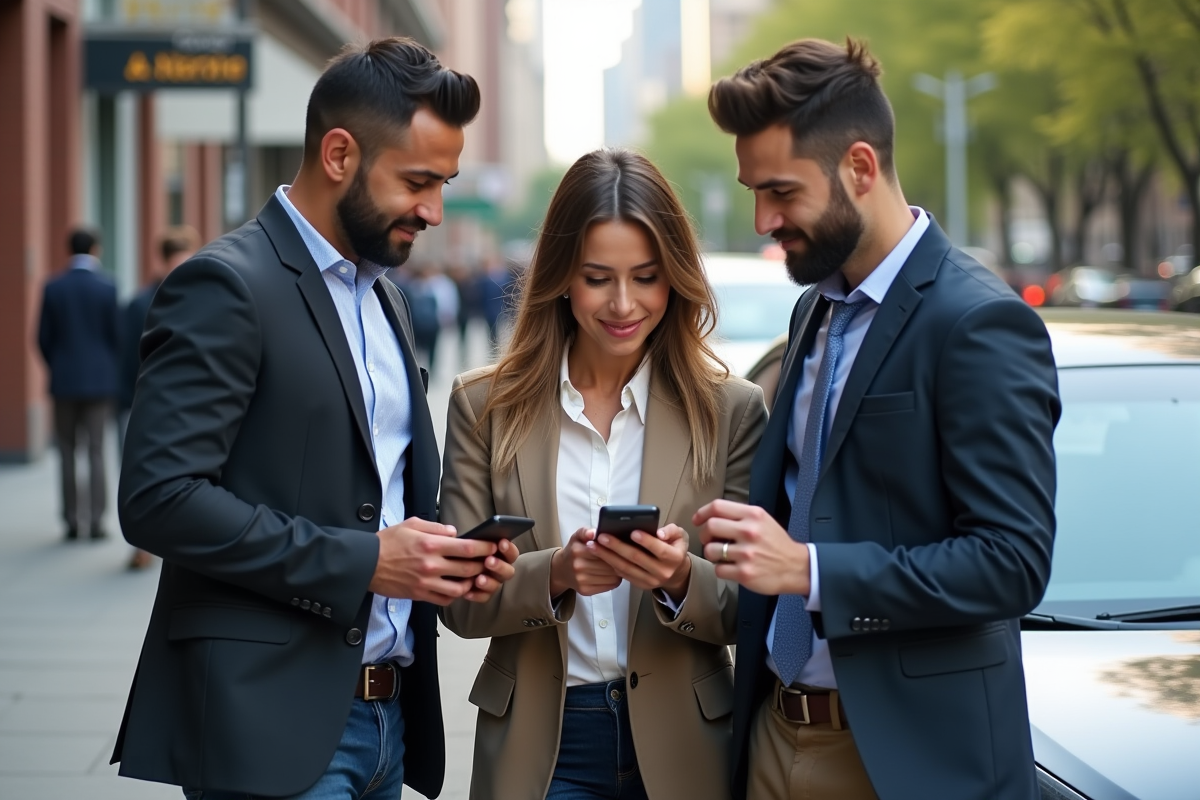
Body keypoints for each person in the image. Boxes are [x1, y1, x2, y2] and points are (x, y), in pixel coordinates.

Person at [111, 37, 516, 800]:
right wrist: (366, 559)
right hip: (270, 725)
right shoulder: (226, 285)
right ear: (338, 155)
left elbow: (373, 491)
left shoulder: (386, 296)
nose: (434, 210)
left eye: (445, 183)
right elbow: (157, 499)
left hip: (389, 722)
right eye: (419, 182)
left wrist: (446, 558)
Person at [696, 39, 1060, 800]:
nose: (763, 218)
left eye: (782, 193)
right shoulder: (812, 310)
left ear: (860, 168)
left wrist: (810, 569)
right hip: (772, 735)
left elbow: (1011, 560)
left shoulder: (979, 322)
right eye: (752, 192)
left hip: (906, 762)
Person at [440, 148, 768, 800]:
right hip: (543, 743)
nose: (623, 304)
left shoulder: (731, 409)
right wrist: (555, 575)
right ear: (562, 276)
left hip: (686, 744)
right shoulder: (483, 406)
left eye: (646, 276)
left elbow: (757, 608)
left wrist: (679, 578)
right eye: (597, 278)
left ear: (674, 278)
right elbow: (457, 601)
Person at [117, 226, 200, 570]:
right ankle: (141, 547)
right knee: (141, 477)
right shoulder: (138, 304)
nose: (184, 269)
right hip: (144, 402)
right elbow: (125, 356)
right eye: (178, 262)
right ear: (163, 262)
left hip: (195, 405)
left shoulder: (209, 297)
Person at [37, 228, 119, 541]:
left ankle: (72, 521)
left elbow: (42, 338)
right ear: (95, 250)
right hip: (100, 383)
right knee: (97, 451)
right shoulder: (107, 286)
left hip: (64, 382)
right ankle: (97, 521)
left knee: (67, 451)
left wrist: (58, 365)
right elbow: (117, 336)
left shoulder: (53, 287)